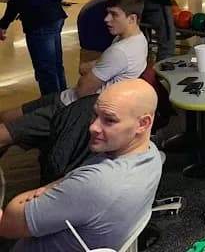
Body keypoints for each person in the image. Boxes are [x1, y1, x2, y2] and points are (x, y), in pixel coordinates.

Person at [0, 80, 161, 252]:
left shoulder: (95, 184)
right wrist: (65, 184)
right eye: (95, 114)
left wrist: (52, 187)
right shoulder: (152, 156)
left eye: (109, 120)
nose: (93, 127)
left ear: (143, 123)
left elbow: (7, 225)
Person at [0, 0, 148, 154]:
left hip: (70, 109)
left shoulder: (121, 51)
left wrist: (92, 69)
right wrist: (95, 67)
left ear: (132, 18)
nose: (106, 19)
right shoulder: (137, 40)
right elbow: (87, 69)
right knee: (5, 116)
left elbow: (83, 89)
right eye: (107, 13)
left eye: (114, 15)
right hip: (67, 97)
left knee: (2, 134)